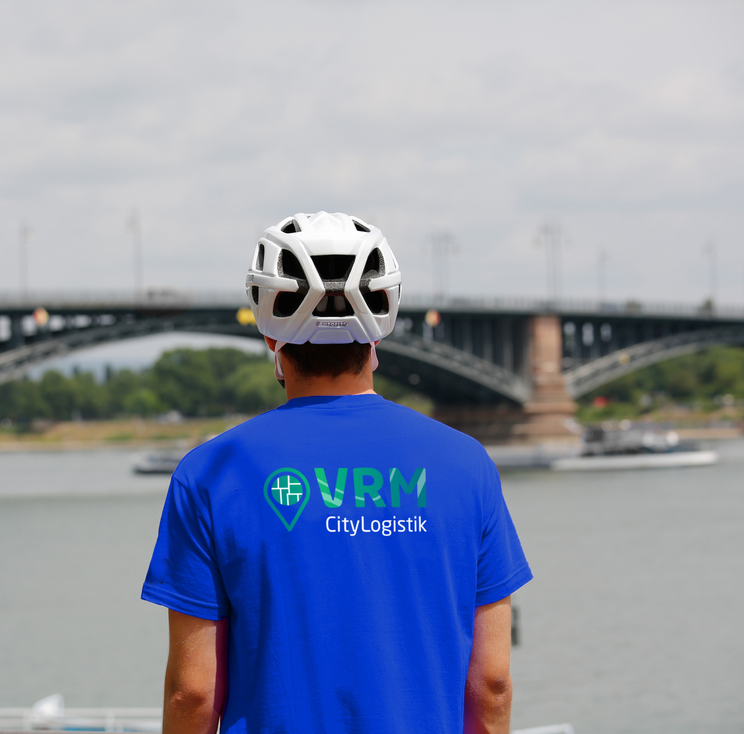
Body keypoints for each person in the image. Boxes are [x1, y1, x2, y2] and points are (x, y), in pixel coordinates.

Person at [141, 211, 531, 733]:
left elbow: (193, 693)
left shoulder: (210, 473)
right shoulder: (466, 464)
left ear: (269, 334)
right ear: (380, 329)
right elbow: (492, 685)